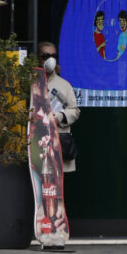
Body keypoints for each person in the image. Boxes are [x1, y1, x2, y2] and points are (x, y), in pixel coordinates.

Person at [37, 41, 80, 234]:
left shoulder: (64, 85)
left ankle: (56, 227)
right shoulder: (32, 83)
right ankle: (40, 226)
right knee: (39, 187)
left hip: (58, 141)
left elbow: (75, 110)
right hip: (37, 144)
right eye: (45, 56)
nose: (49, 59)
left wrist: (60, 117)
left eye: (53, 56)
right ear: (39, 58)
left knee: (57, 189)